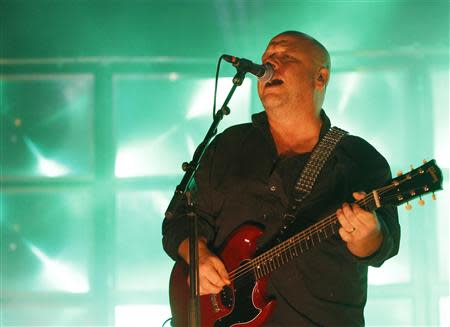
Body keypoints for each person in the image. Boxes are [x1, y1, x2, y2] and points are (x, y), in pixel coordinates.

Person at [162, 31, 400, 326]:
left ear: (320, 77)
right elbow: (178, 222)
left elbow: (384, 247)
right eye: (266, 58)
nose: (271, 62)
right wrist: (196, 255)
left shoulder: (360, 160)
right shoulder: (228, 147)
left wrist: (368, 235)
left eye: (286, 56)